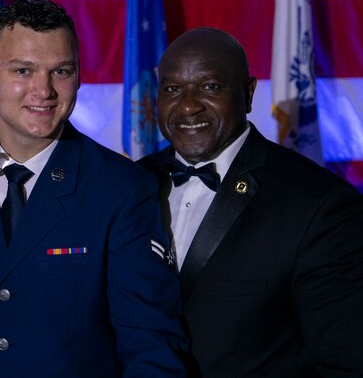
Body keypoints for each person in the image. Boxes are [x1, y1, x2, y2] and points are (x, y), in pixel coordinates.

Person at [0, 0, 188, 378]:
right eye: (23, 71)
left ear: (79, 74)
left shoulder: (121, 188)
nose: (44, 90)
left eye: (61, 71)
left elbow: (151, 347)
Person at [139, 27, 363, 378]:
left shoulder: (320, 204)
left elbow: (345, 363)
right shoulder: (127, 185)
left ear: (248, 93)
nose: (187, 104)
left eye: (210, 86)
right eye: (172, 89)